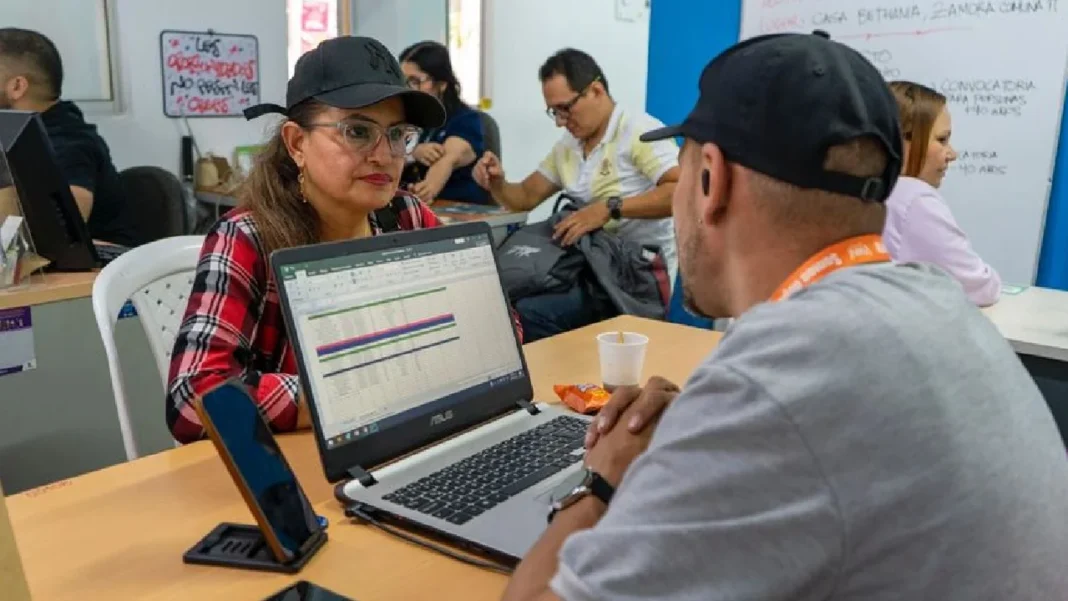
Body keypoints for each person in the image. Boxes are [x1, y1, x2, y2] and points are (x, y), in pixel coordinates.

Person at [503, 32, 1068, 601]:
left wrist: (603, 481)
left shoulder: (783, 378)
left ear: (710, 179)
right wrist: (713, 440)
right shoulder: (935, 303)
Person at [166, 36, 450, 443]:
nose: (385, 155)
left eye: (398, 134)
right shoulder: (248, 238)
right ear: (297, 143)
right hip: (299, 467)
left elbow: (497, 324)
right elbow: (194, 395)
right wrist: (359, 389)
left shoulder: (407, 217)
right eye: (357, 131)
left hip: (398, 445)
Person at [474, 49, 679, 342]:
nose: (560, 121)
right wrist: (497, 182)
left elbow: (679, 192)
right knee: (507, 296)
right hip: (587, 267)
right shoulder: (569, 145)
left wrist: (610, 209)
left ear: (596, 90)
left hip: (632, 276)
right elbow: (524, 197)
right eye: (553, 112)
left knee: (531, 313)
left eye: (565, 108)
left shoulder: (637, 131)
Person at [0, 28, 138, 247]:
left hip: (100, 272)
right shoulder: (20, 132)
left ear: (17, 86)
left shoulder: (67, 142)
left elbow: (59, 235)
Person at [882, 80, 1001, 306]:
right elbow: (978, 286)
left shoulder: (851, 192)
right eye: (941, 139)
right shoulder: (913, 198)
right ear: (903, 140)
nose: (952, 154)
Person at [398, 41, 488, 205]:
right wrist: (413, 152)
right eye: (403, 81)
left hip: (455, 209)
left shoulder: (465, 119)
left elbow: (448, 159)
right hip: (410, 206)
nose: (408, 89)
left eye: (415, 81)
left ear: (441, 84)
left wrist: (427, 190)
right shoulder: (404, 119)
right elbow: (386, 156)